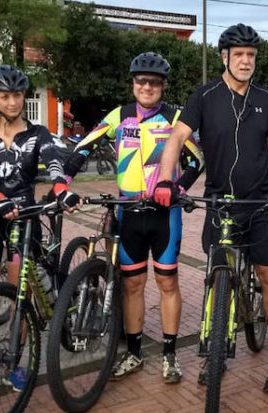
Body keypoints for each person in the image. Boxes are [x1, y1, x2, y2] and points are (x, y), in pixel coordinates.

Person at [153, 23, 268, 394]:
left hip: (261, 200)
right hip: (220, 201)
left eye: (251, 55)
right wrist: (166, 181)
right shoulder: (205, 96)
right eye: (239, 55)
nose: (246, 61)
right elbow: (177, 138)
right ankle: (214, 352)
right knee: (218, 274)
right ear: (224, 58)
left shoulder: (264, 98)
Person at [63, 52, 203, 384]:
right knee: (132, 284)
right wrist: (62, 182)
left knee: (167, 282)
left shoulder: (175, 118)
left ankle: (169, 356)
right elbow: (84, 147)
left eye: (154, 82)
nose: (147, 87)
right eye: (141, 81)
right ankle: (135, 353)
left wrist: (177, 187)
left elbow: (196, 161)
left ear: (163, 86)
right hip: (128, 213)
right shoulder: (119, 116)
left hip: (164, 215)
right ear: (133, 83)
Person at [0, 65, 80, 412]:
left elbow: (54, 165)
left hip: (25, 222)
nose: (12, 102)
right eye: (5, 96)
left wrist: (62, 190)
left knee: (19, 301)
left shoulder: (38, 133)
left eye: (17, 95)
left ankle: (13, 364)